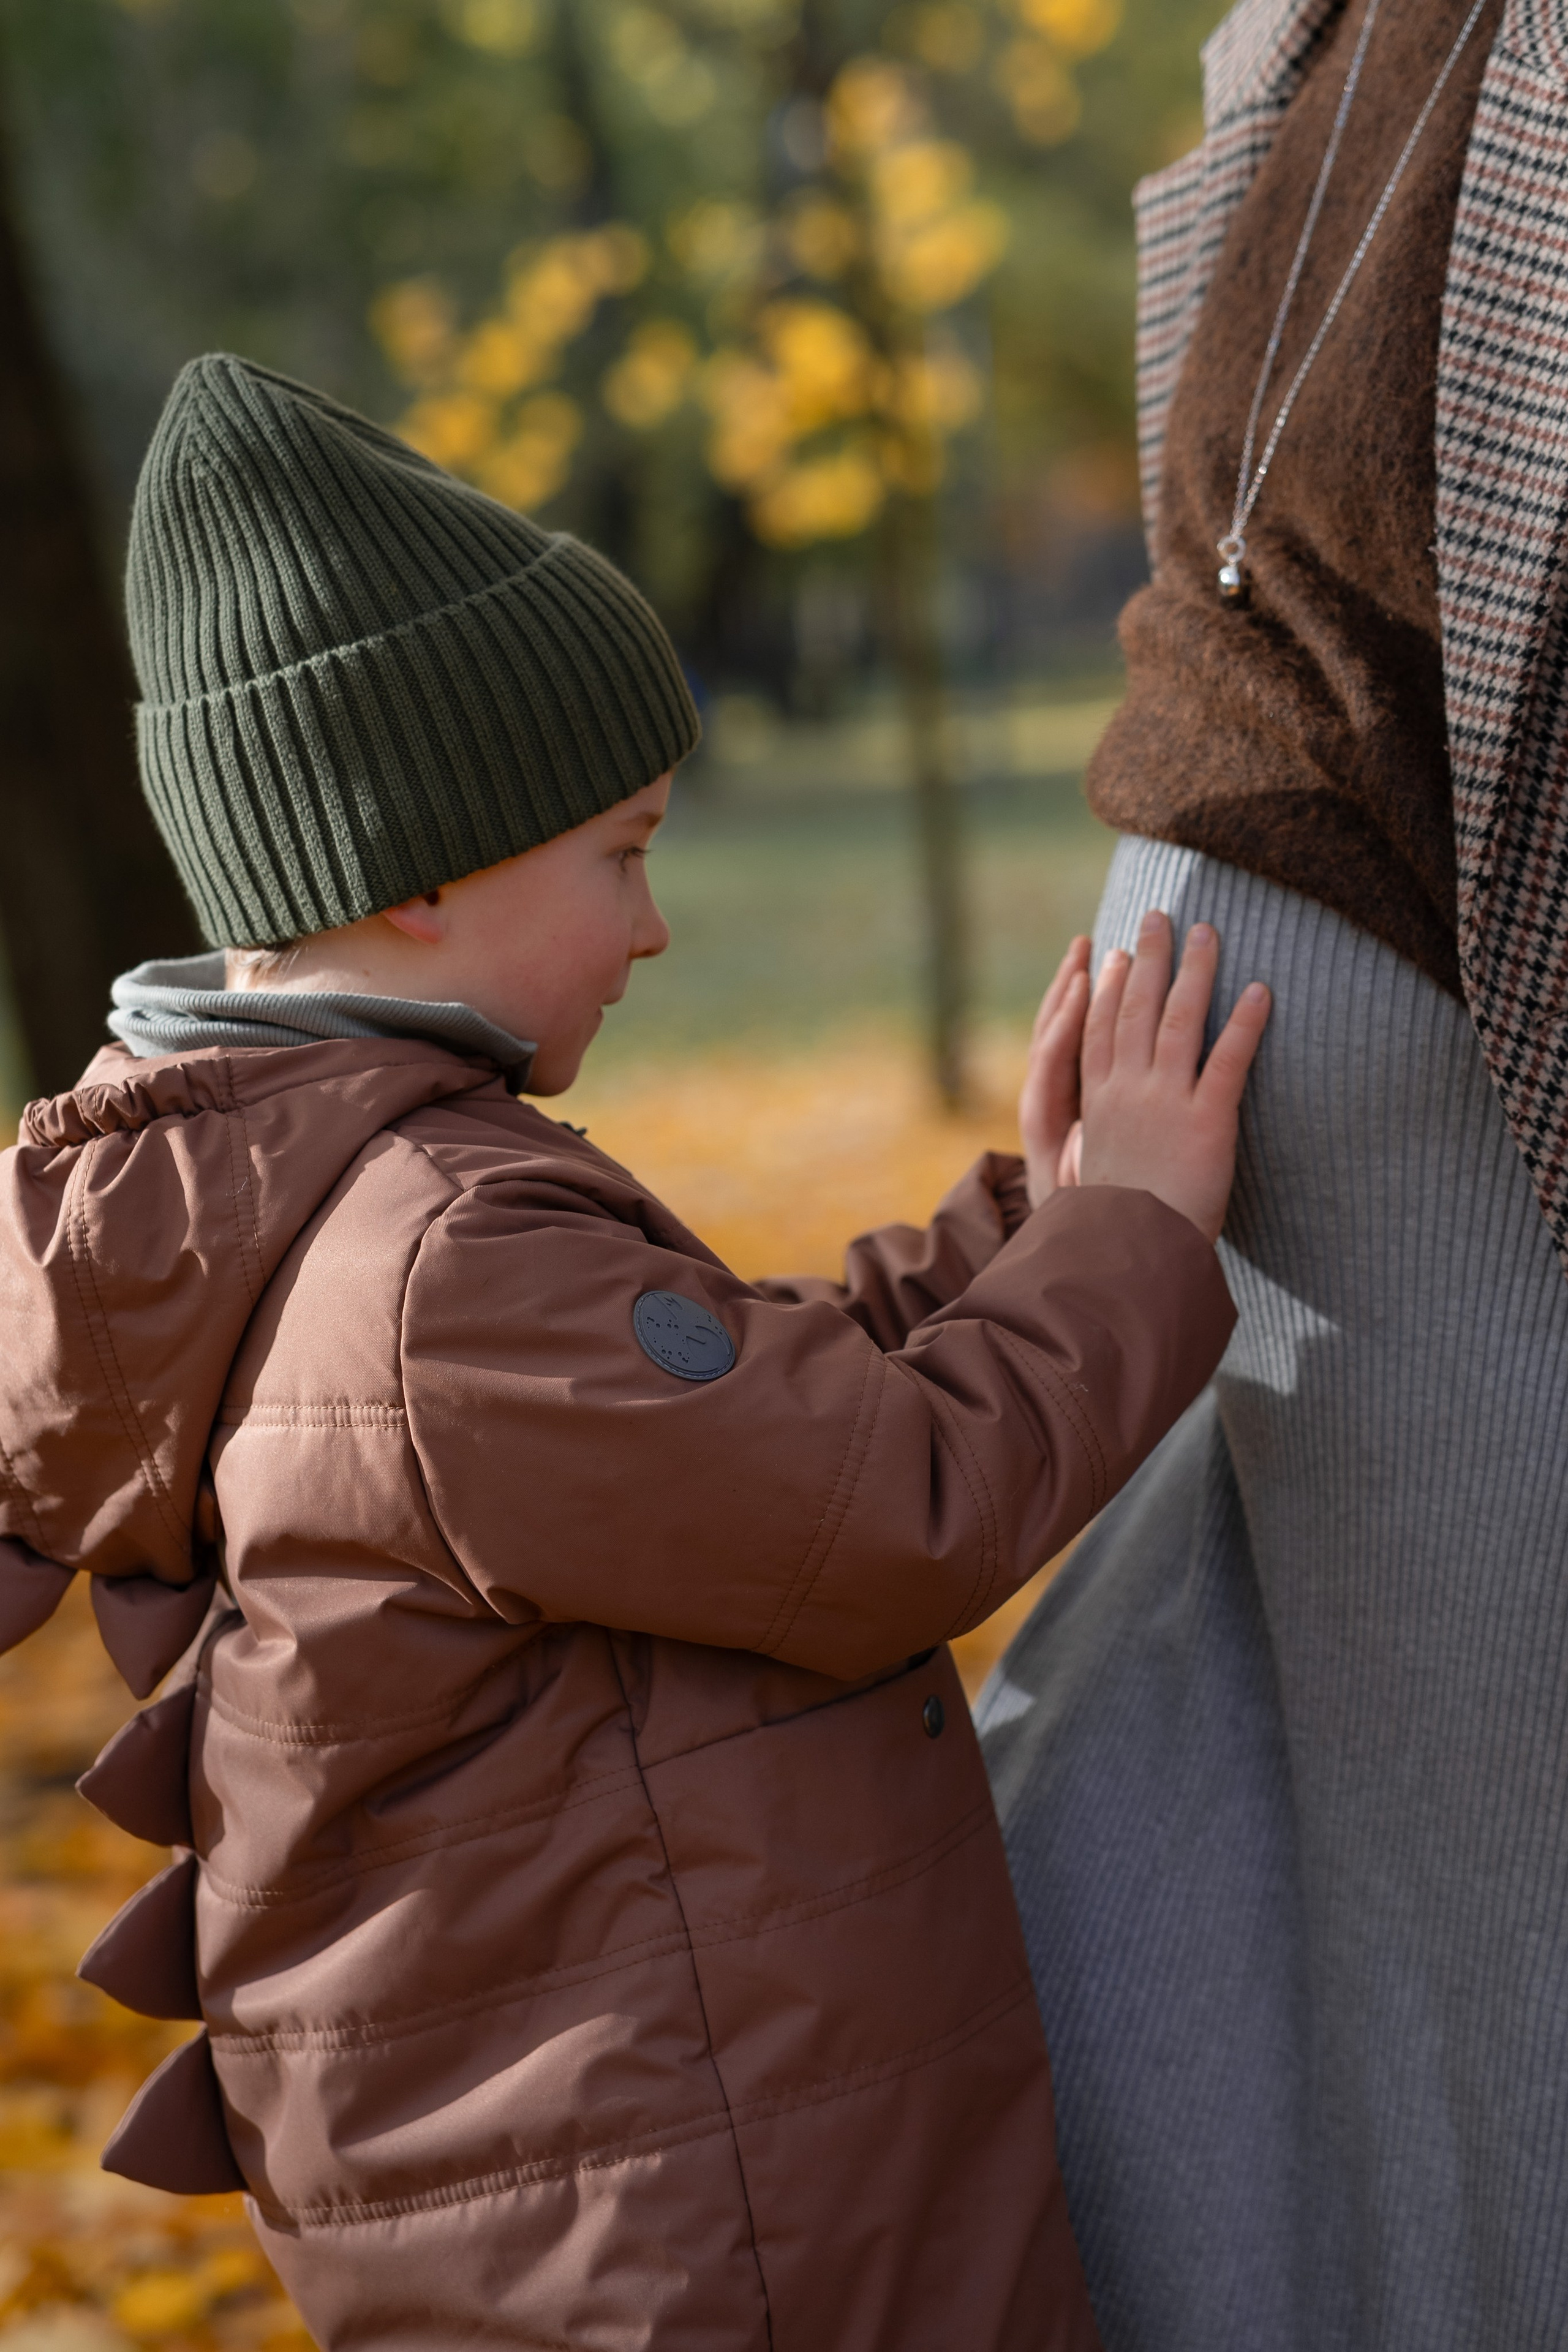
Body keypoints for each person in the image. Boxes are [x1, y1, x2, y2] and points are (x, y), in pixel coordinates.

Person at [0, 354, 1267, 2352]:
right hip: (711, 2251)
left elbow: (750, 1421)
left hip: (596, 2223)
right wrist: (1142, 1233)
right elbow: (889, 1502)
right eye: (622, 850)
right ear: (414, 871)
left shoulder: (306, 1210)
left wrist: (1030, 1213)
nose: (656, 925)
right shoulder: (436, 1271)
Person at [981, 1, 1568, 2347]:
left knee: (1488, 1957)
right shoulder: (1304, 29)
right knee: (1161, 1852)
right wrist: (1083, 1235)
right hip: (1235, 1204)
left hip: (1450, 1141)